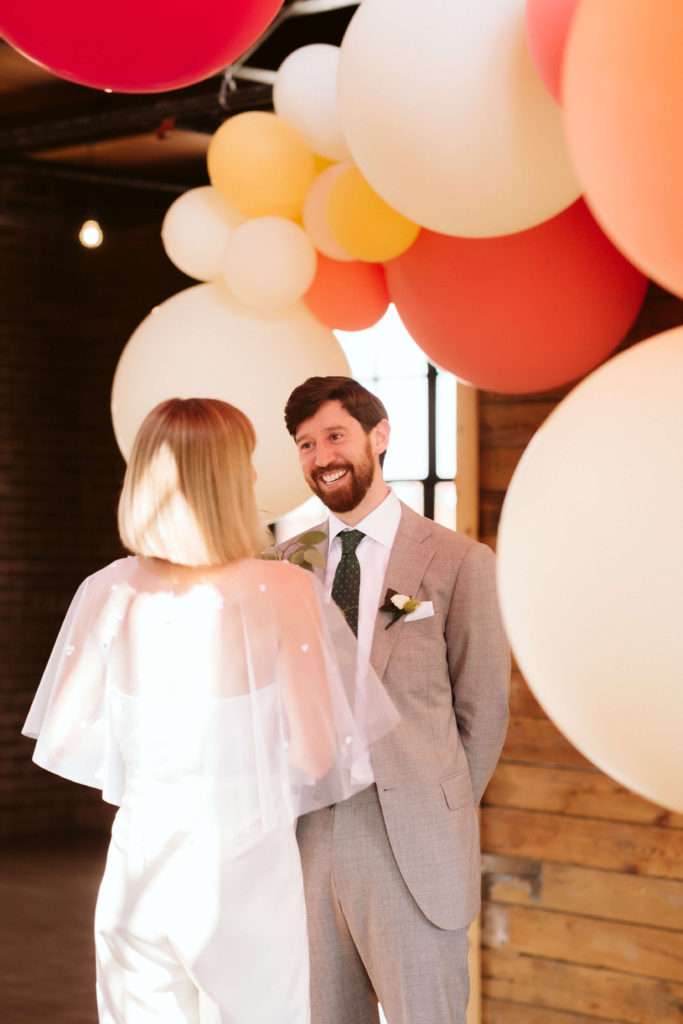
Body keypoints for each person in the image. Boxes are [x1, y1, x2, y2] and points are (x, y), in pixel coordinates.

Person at [22, 396, 399, 1024]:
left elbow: (64, 734)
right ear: (223, 480)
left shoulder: (108, 590)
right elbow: (316, 753)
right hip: (244, 872)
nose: (255, 476)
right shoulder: (282, 590)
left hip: (139, 869)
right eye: (245, 462)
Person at [280, 376, 511, 1024]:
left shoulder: (459, 561)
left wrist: (439, 807)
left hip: (413, 843)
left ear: (377, 436)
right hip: (310, 836)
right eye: (304, 444)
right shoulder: (283, 566)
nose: (321, 456)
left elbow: (484, 708)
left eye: (334, 436)